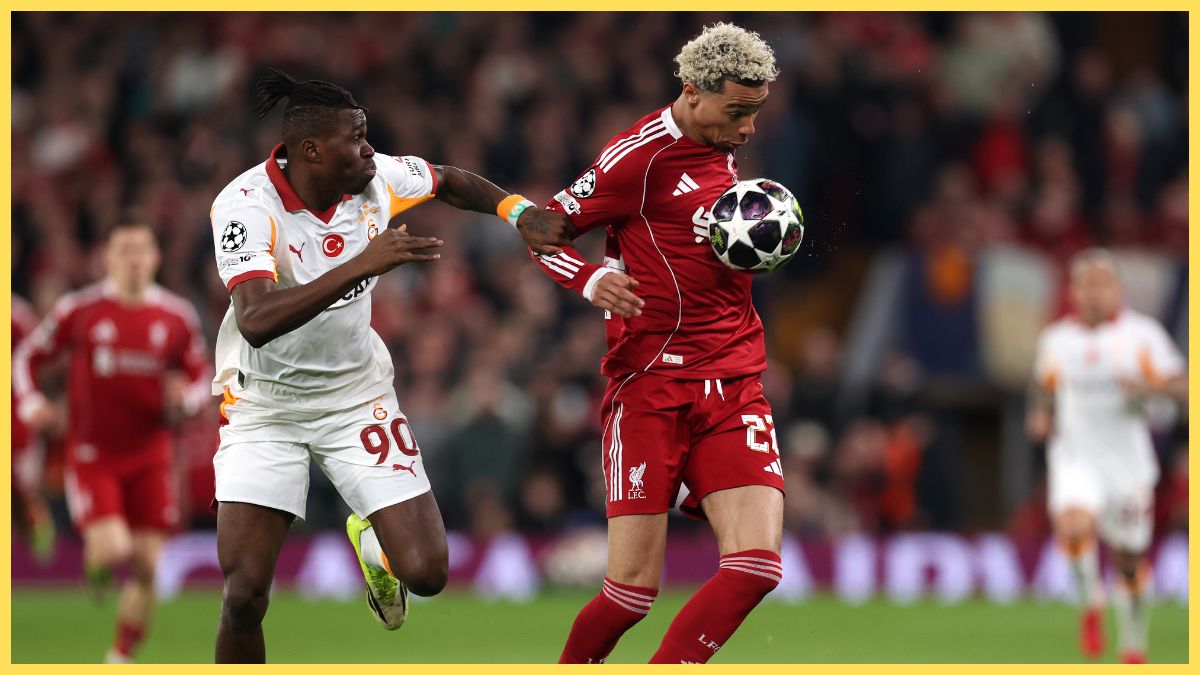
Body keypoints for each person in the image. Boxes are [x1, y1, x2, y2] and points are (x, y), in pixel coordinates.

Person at [209, 68, 570, 663]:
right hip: (265, 406)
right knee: (245, 594)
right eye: (355, 138)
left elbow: (450, 180)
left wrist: (517, 212)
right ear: (311, 151)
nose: (369, 150)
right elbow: (256, 318)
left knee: (427, 572)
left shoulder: (376, 180)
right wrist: (362, 264)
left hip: (355, 397)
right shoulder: (246, 206)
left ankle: (374, 547)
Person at [533, 23, 785, 664]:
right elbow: (542, 230)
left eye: (756, 112)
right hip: (651, 385)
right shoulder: (636, 158)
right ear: (693, 92)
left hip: (733, 379)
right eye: (738, 112)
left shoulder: (721, 144)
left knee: (756, 567)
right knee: (629, 597)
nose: (748, 128)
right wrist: (590, 278)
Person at [13, 221, 213, 663]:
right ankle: (96, 563)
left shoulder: (176, 316)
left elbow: (202, 375)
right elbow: (27, 356)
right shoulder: (80, 310)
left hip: (152, 454)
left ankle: (119, 658)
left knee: (147, 566)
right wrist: (30, 402)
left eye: (142, 249)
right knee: (113, 549)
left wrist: (188, 399)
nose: (134, 259)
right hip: (93, 455)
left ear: (156, 257)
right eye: (124, 250)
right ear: (107, 258)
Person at [1028, 248, 1187, 664]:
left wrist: (1149, 387)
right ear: (1073, 291)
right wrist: (1040, 413)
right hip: (1075, 455)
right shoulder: (1057, 339)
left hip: (1127, 464)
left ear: (1118, 290)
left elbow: (1186, 386)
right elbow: (1043, 385)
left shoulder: (1143, 335)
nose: (1094, 293)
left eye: (1102, 285)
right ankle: (1091, 603)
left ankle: (1133, 643)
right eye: (1086, 285)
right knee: (1073, 526)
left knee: (1128, 559)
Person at [10, 294, 56, 565]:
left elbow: (37, 355)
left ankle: (39, 551)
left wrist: (32, 400)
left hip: (14, 421)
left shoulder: (15, 314)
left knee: (21, 491)